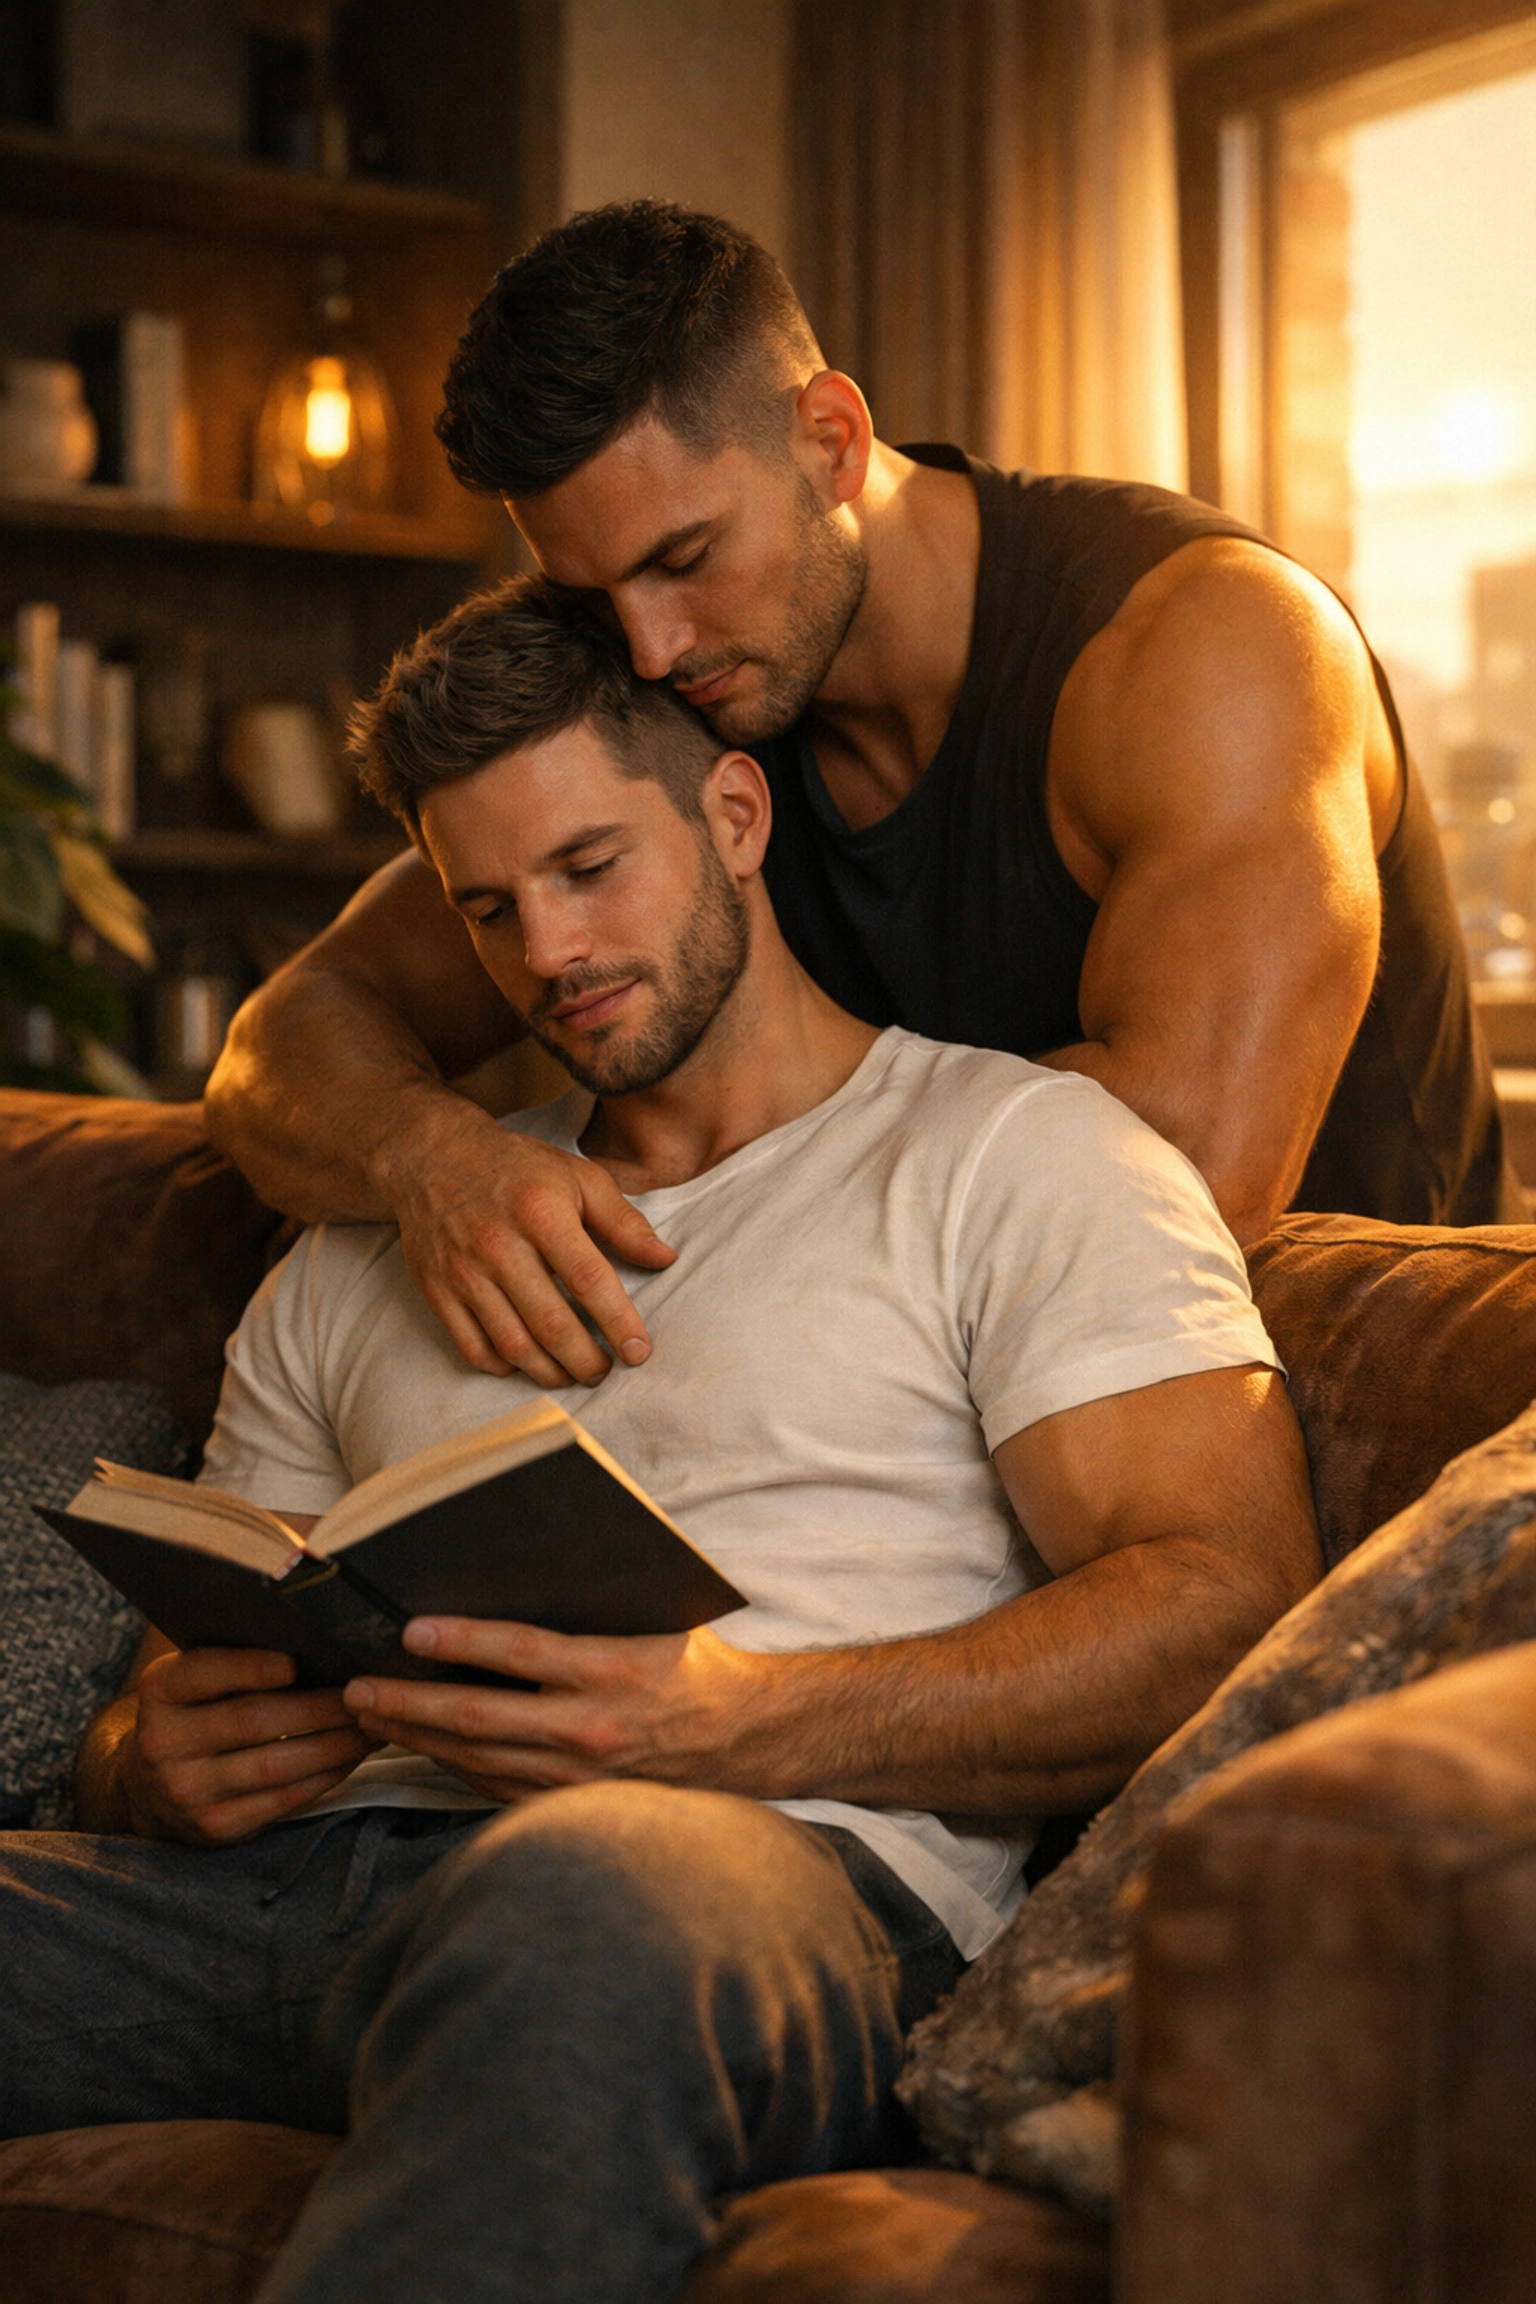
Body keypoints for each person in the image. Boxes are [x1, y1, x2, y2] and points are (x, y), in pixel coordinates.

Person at [0, 582, 1322, 2304]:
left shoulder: (1015, 1158)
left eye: (588, 868)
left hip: (742, 1874)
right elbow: (200, 1652)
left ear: (735, 812)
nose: (544, 953)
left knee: (583, 1900)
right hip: (279, 1892)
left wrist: (737, 1724)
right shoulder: (377, 1234)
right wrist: (136, 1763)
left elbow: (1231, 1597)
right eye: (485, 907)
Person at [205, 201, 1520, 1403]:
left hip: (1338, 1387)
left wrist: (708, 1200)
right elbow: (293, 1035)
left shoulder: (1208, 646)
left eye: (685, 558)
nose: (651, 649)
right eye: (598, 595)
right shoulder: (686, 696)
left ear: (829, 438)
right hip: (927, 1383)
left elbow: (1180, 1178)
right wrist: (428, 1158)